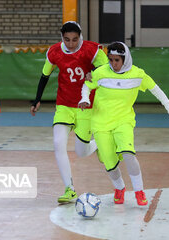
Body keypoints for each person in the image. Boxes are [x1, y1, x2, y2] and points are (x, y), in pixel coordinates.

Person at [78, 42, 169, 206]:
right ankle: (119, 188)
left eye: (117, 60)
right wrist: (84, 98)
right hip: (100, 123)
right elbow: (87, 86)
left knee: (128, 153)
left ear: (125, 59)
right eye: (110, 60)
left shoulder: (137, 75)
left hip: (123, 122)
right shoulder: (101, 73)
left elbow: (156, 90)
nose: (113, 64)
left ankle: (139, 191)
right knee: (109, 162)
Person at [30, 21, 108, 203]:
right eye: (67, 40)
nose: (71, 43)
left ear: (80, 37)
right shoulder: (54, 52)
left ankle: (97, 145)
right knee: (58, 144)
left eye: (74, 39)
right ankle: (69, 188)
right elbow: (44, 76)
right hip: (64, 104)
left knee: (81, 152)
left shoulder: (92, 50)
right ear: (62, 38)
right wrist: (37, 99)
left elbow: (107, 70)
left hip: (85, 105)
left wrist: (94, 72)